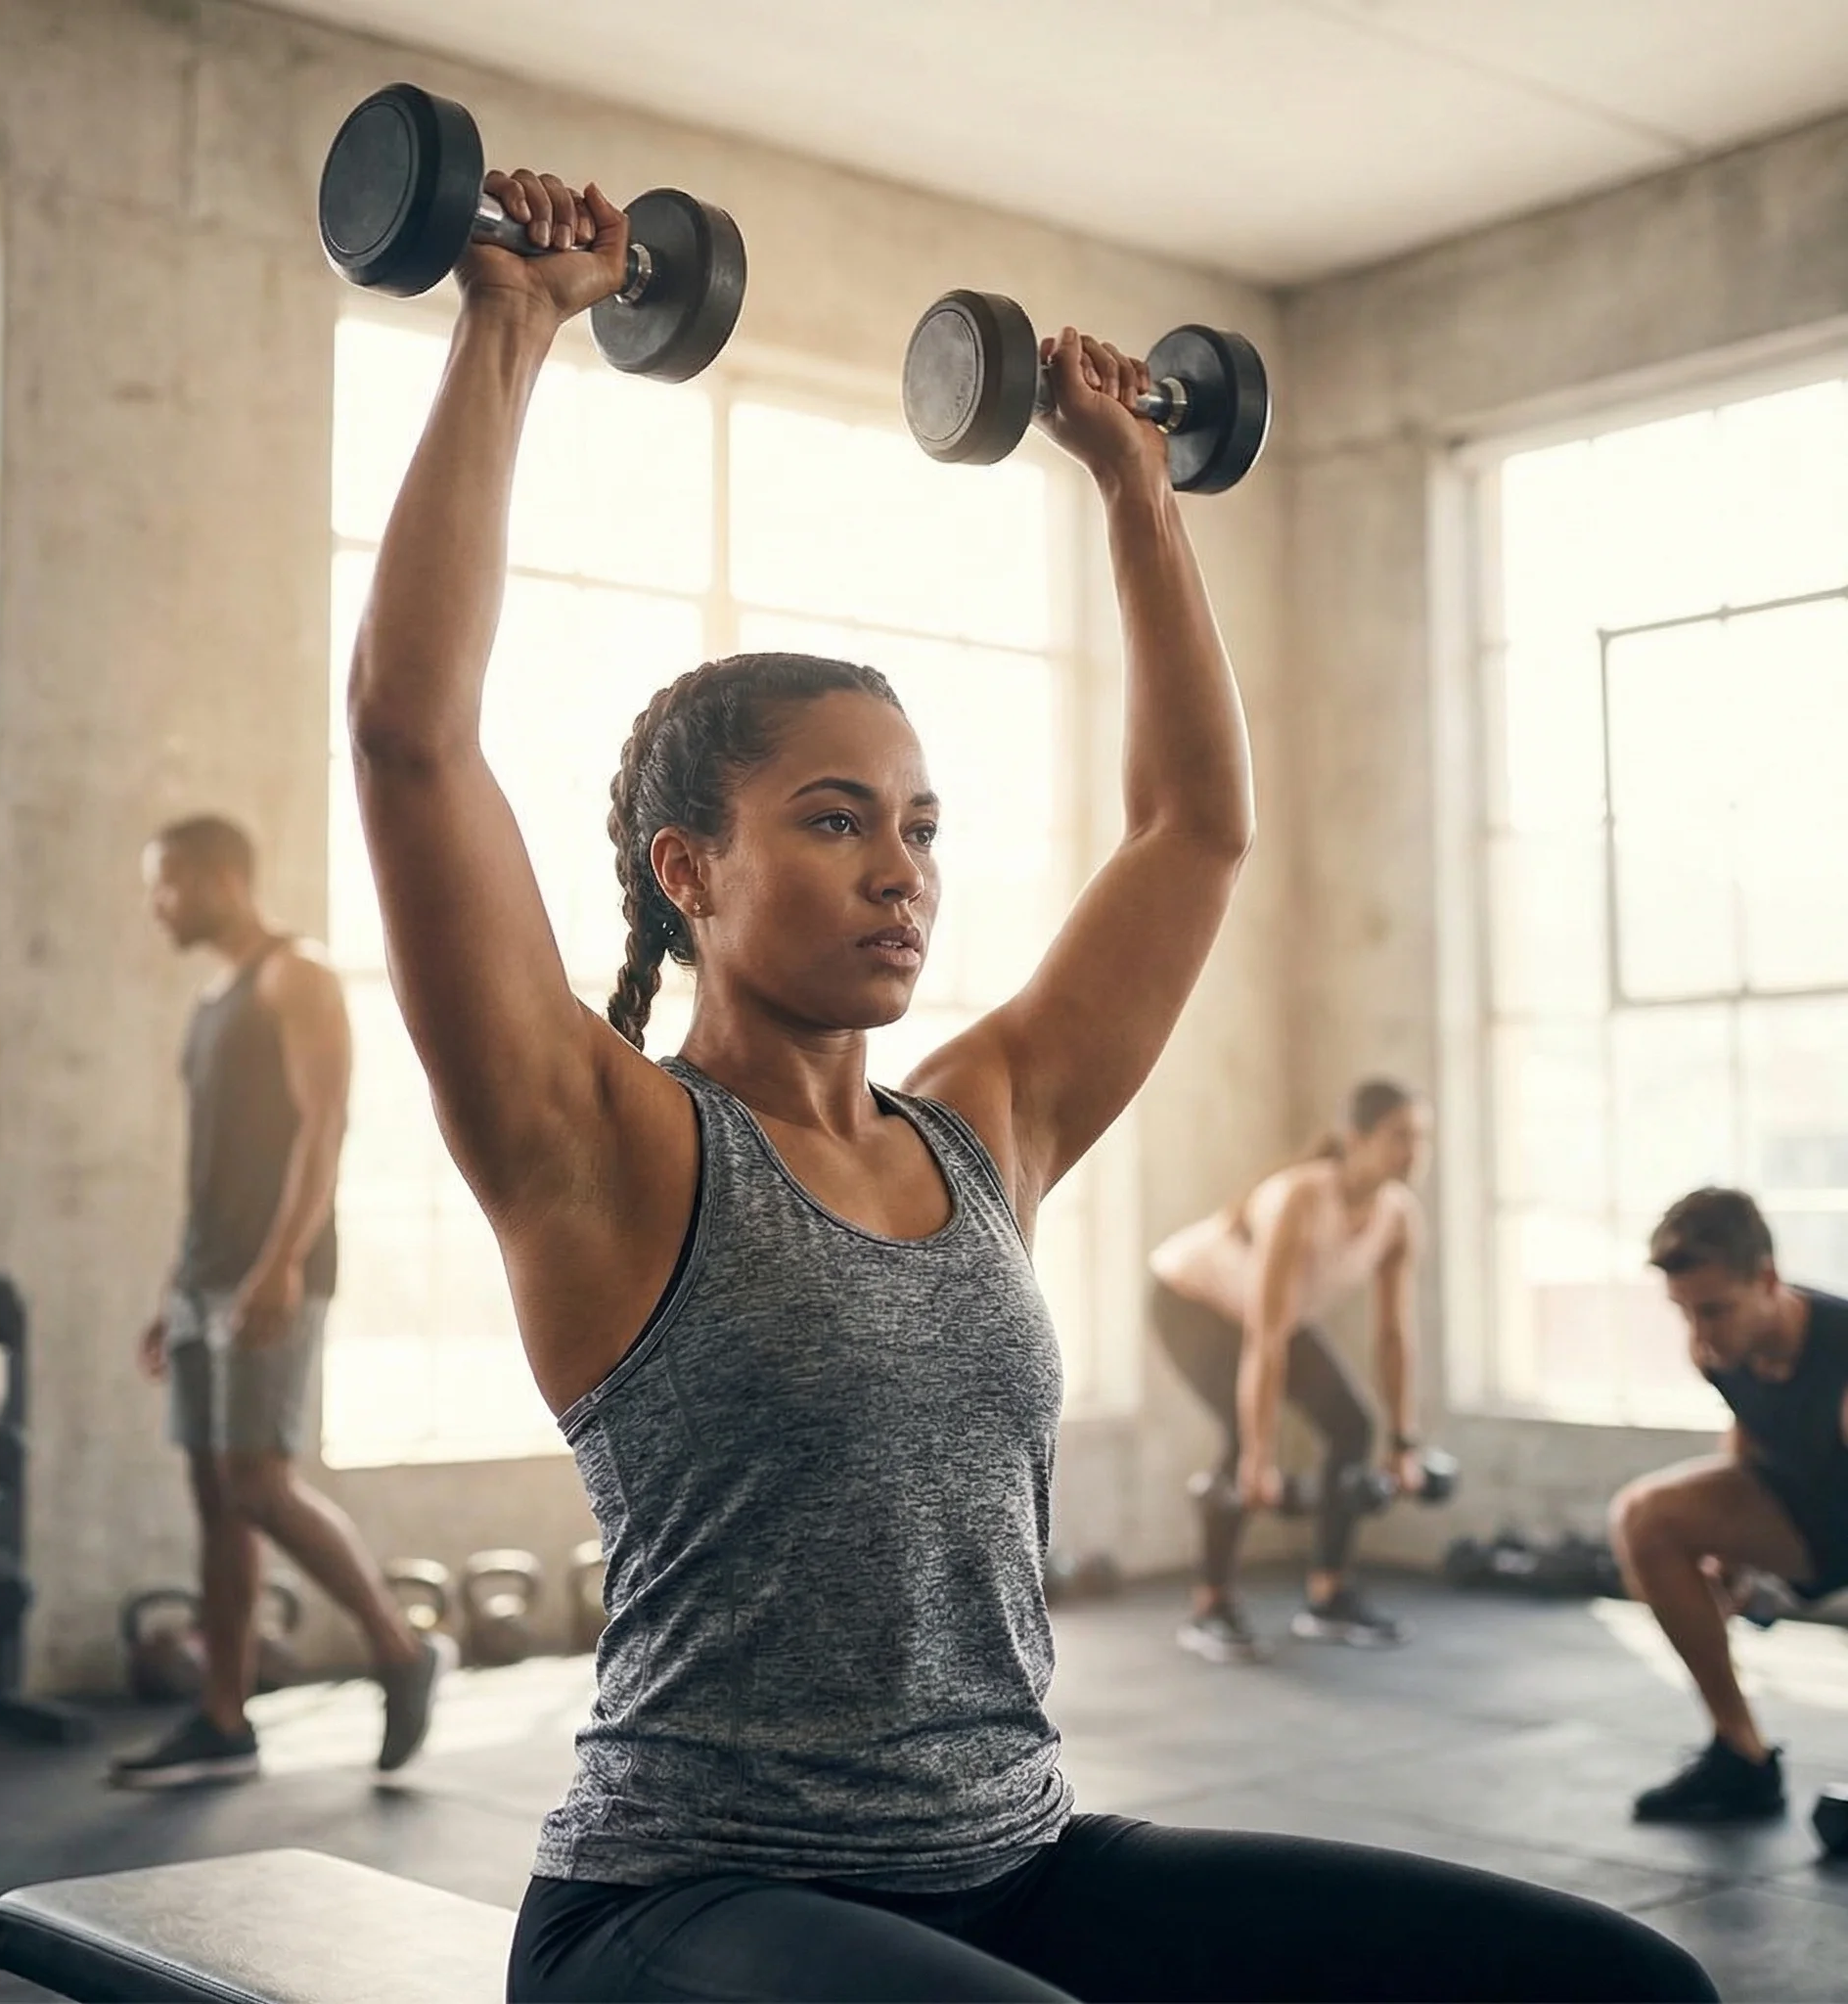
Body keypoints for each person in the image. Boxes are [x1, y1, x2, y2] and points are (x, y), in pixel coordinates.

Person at [348, 167, 1714, 2003]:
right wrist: (509, 323)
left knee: (1615, 1986)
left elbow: (1193, 830)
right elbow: (411, 736)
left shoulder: (976, 1125)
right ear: (690, 871)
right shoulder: (601, 1143)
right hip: (679, 1903)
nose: (899, 869)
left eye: (917, 824)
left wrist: (1134, 481)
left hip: (1009, 1859)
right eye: (832, 823)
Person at [112, 815, 449, 1789]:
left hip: (271, 1270)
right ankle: (224, 1718)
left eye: (168, 882)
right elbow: (208, 1166)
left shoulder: (293, 974)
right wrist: (173, 1285)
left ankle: (397, 1646)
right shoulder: (213, 997)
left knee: (257, 1480)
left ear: (221, 875)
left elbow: (323, 1125)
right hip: (204, 1272)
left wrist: (279, 1261)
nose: (158, 903)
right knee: (216, 1500)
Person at [1149, 1078, 1429, 1660]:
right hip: (1190, 1300)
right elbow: (1268, 1338)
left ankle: (1328, 1596)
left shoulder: (1399, 1215)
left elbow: (1395, 1335)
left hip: (1269, 1317)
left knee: (1353, 1426)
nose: (1415, 1150)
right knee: (1240, 1431)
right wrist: (1259, 1455)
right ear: (1356, 1139)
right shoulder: (1298, 1198)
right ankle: (1211, 1608)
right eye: (1400, 1136)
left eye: (1422, 1136)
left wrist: (1405, 1443)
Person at [1610, 1187, 1848, 1827]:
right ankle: (1741, 1756)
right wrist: (1731, 1554)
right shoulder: (1718, 1349)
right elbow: (1751, 1435)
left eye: (1714, 1311)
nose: (1700, 1335)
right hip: (1808, 1517)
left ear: (1767, 1279)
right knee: (1645, 1518)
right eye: (1684, 1313)